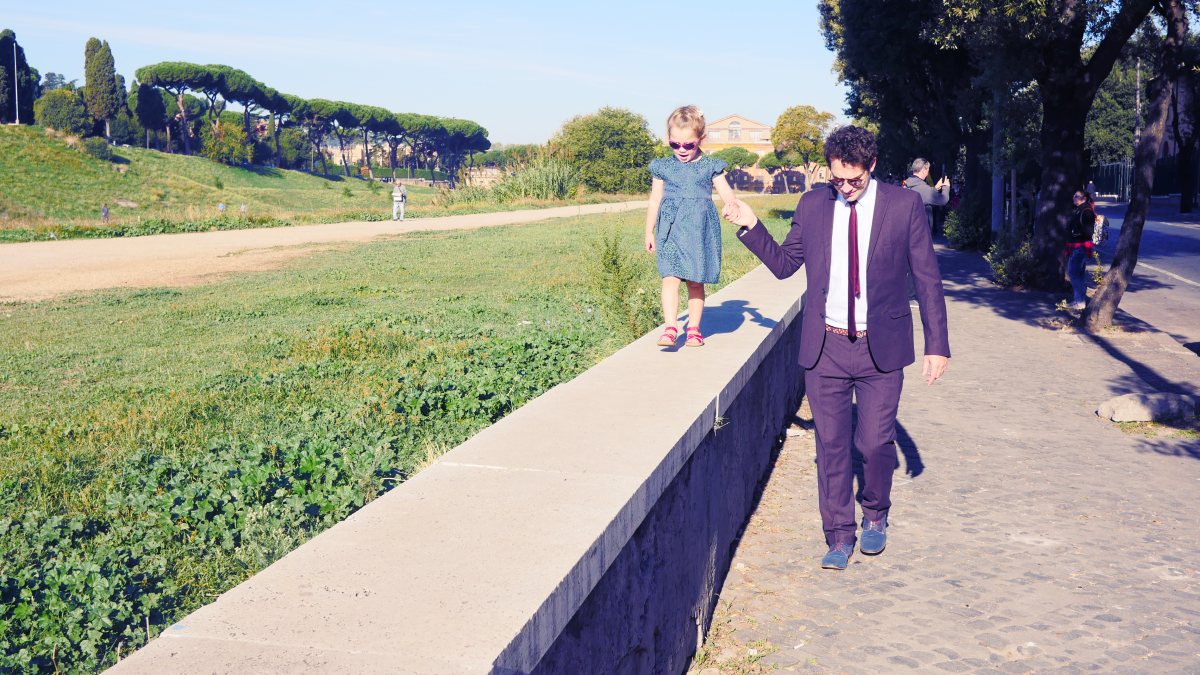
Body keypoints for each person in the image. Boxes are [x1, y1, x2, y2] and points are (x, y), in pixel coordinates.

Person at [722, 126, 950, 570]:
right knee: (830, 445)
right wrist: (751, 224)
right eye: (837, 179)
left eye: (854, 179)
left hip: (880, 348)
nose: (844, 187)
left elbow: (927, 278)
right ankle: (839, 535)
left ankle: (876, 513)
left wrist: (936, 344)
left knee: (875, 442)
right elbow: (786, 265)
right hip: (825, 347)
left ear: (872, 166)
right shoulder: (813, 204)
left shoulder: (903, 206)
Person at [645, 105, 738, 347]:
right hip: (670, 230)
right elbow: (654, 200)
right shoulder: (663, 167)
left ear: (701, 139)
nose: (681, 150)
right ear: (668, 139)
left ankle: (694, 329)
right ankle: (670, 328)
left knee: (696, 281)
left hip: (699, 230)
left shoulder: (710, 166)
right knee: (670, 277)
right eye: (675, 144)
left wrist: (731, 204)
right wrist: (649, 231)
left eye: (689, 145)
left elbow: (726, 192)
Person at [1065, 190, 1096, 310]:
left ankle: (1080, 302)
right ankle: (1079, 300)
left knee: (1073, 273)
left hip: (1080, 246)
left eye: (1076, 196)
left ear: (1083, 198)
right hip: (1077, 246)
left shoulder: (1086, 211)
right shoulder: (1080, 209)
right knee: (1079, 274)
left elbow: (1088, 232)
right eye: (1074, 195)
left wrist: (1076, 233)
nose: (1074, 197)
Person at [903, 158, 950, 233]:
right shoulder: (924, 189)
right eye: (928, 170)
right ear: (924, 170)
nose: (928, 173)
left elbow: (924, 195)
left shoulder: (905, 184)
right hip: (920, 232)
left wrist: (935, 188)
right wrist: (946, 187)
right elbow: (943, 200)